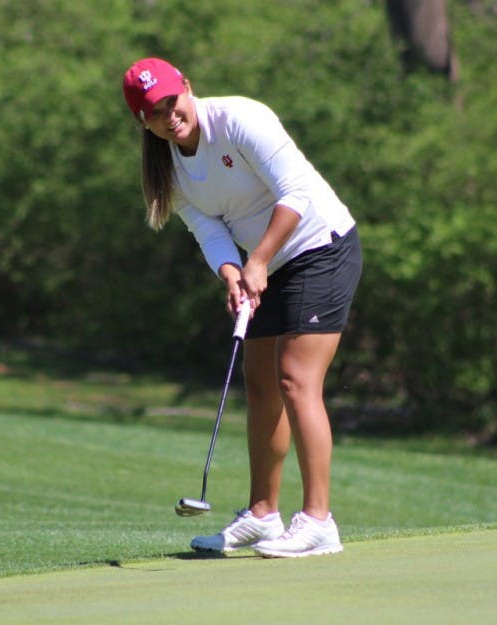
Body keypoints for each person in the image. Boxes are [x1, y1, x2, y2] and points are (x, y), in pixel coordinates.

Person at [122, 57, 362, 558]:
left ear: (187, 87)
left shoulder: (240, 119)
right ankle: (262, 515)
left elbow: (296, 191)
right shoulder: (169, 168)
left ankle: (319, 522)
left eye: (172, 101)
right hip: (262, 263)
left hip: (320, 247)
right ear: (142, 121)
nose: (170, 115)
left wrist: (258, 260)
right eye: (155, 112)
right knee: (259, 383)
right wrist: (231, 272)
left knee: (296, 379)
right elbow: (208, 228)